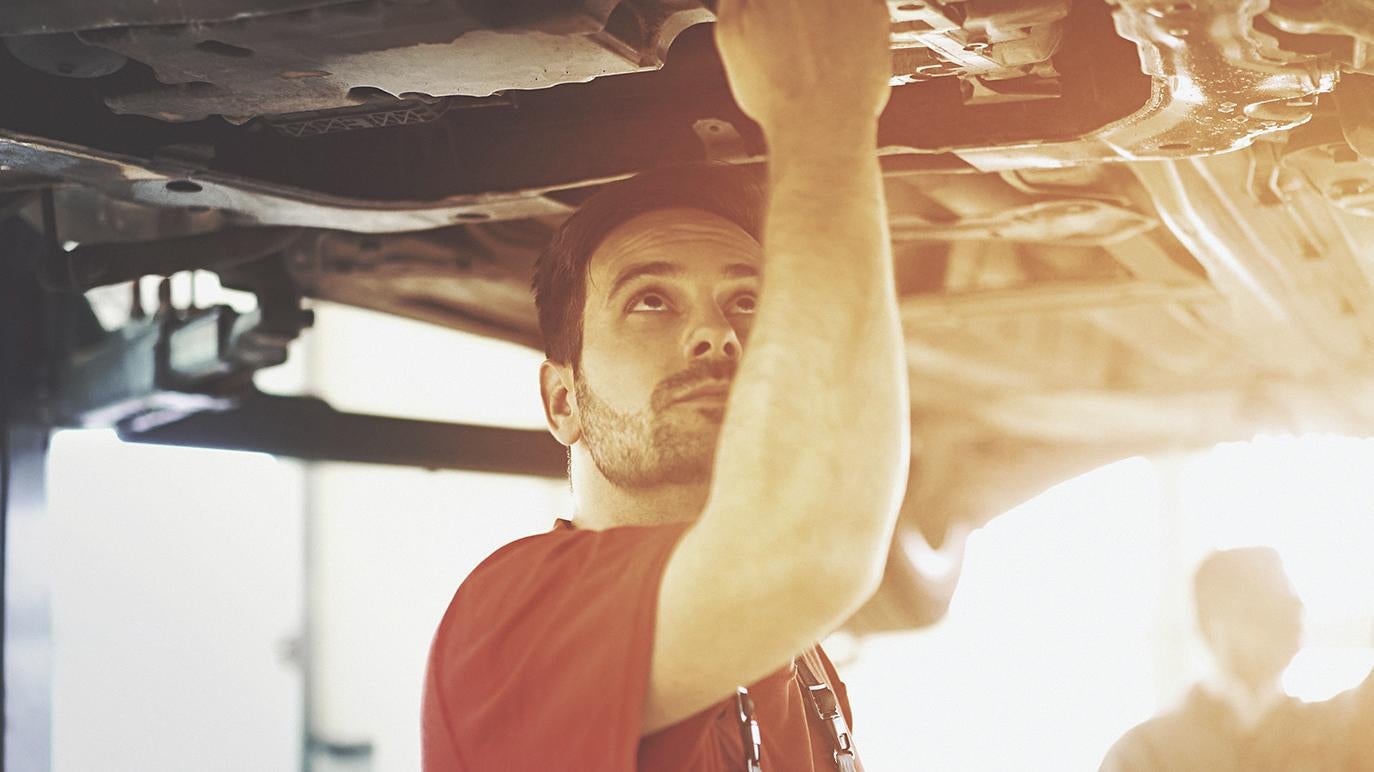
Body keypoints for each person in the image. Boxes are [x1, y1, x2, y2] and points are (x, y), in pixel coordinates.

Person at [421, 1, 910, 769]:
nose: (717, 334)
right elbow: (810, 548)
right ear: (562, 401)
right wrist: (822, 112)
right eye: (651, 300)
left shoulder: (804, 667)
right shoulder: (516, 623)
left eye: (748, 301)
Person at [1099, 546, 1374, 771]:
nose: (1289, 615)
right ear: (1211, 625)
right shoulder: (1146, 755)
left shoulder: (1338, 735)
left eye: (1288, 604)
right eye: (1261, 605)